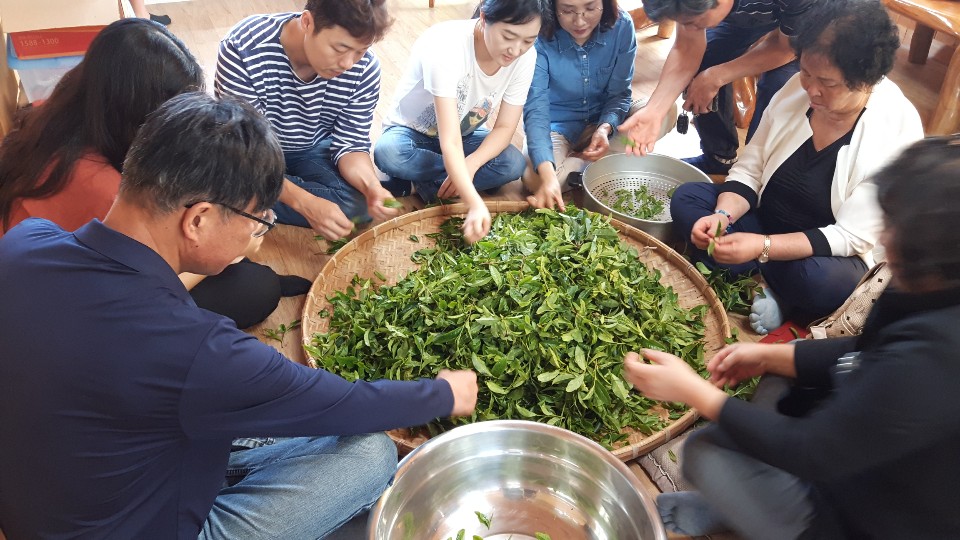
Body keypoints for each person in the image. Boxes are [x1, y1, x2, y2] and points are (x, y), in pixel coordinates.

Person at [0, 92, 479, 539]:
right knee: (369, 452)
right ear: (199, 219)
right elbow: (341, 402)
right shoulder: (198, 351)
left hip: (44, 502)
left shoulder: (25, 244)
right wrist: (440, 394)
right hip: (140, 525)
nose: (261, 233)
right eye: (258, 219)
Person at [621, 135, 960, 539]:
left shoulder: (938, 358)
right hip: (857, 437)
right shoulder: (926, 284)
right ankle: (741, 501)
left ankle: (747, 510)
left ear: (934, 252)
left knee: (704, 453)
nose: (884, 240)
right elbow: (869, 350)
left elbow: (813, 452)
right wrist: (770, 358)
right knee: (793, 355)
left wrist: (693, 392)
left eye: (896, 230)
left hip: (866, 515)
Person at [0, 19, 306, 330]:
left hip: (48, 265)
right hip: (68, 303)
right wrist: (234, 251)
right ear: (140, 113)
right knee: (253, 286)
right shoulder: (103, 188)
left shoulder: (51, 112)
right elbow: (140, 287)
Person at [668, 0, 923, 334]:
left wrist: (762, 248)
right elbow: (751, 168)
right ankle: (761, 276)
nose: (810, 89)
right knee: (688, 199)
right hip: (768, 219)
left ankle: (768, 284)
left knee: (823, 283)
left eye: (827, 83)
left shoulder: (894, 128)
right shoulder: (796, 91)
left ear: (866, 80)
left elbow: (850, 237)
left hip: (823, 253)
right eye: (805, 72)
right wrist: (723, 217)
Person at [215, 0, 401, 241]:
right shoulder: (242, 48)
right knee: (228, 169)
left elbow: (350, 144)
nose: (348, 63)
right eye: (340, 48)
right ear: (307, 22)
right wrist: (305, 203)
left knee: (360, 207)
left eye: (361, 50)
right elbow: (244, 151)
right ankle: (246, 194)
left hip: (309, 150)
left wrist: (372, 188)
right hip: (250, 154)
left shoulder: (364, 68)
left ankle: (249, 201)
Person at [373, 0, 548, 243]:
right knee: (389, 153)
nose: (516, 50)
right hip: (411, 134)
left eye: (528, 40)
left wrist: (471, 164)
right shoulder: (445, 45)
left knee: (512, 164)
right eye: (508, 36)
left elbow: (506, 128)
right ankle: (450, 185)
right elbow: (450, 142)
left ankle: (413, 187)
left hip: (465, 136)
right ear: (484, 19)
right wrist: (474, 202)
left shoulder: (526, 58)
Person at [619, 0, 816, 175]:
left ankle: (758, 175)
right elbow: (687, 48)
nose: (689, 27)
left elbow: (786, 48)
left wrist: (717, 76)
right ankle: (719, 159)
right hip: (748, 17)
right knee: (706, 59)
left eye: (693, 22)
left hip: (811, 23)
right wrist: (655, 111)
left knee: (780, 89)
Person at [521, 0, 636, 210]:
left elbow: (620, 94)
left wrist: (605, 127)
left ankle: (584, 162)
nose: (580, 21)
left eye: (590, 9)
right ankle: (601, 164)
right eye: (567, 11)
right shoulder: (538, 35)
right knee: (534, 180)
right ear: (552, 8)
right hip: (557, 125)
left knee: (663, 113)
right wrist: (547, 175)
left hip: (602, 120)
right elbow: (536, 109)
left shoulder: (622, 26)